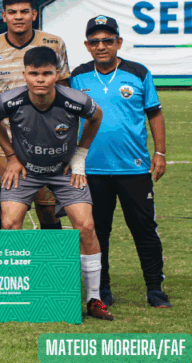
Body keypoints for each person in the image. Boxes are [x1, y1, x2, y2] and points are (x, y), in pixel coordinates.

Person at [0, 46, 112, 321]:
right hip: (25, 170)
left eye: (46, 73)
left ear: (56, 74)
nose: (40, 79)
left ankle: (94, 298)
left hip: (63, 171)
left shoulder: (76, 100)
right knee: (9, 223)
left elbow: (96, 116)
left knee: (86, 226)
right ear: (24, 75)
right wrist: (11, 156)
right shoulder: (9, 100)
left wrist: (80, 154)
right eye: (34, 74)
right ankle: (14, 291)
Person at [71, 16, 170, 308]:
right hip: (91, 170)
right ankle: (101, 290)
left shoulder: (138, 72)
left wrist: (160, 152)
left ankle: (155, 289)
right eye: (95, 41)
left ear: (119, 42)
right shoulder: (78, 76)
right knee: (97, 232)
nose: (101, 46)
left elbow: (154, 113)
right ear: (87, 46)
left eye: (107, 40)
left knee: (144, 229)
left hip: (134, 169)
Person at [0, 0, 70, 230]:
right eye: (12, 12)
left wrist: (64, 139)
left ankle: (50, 256)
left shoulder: (54, 44)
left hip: (47, 142)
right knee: (6, 211)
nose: (18, 17)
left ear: (34, 14)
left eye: (24, 12)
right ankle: (5, 256)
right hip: (4, 144)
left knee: (48, 210)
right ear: (3, 16)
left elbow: (65, 90)